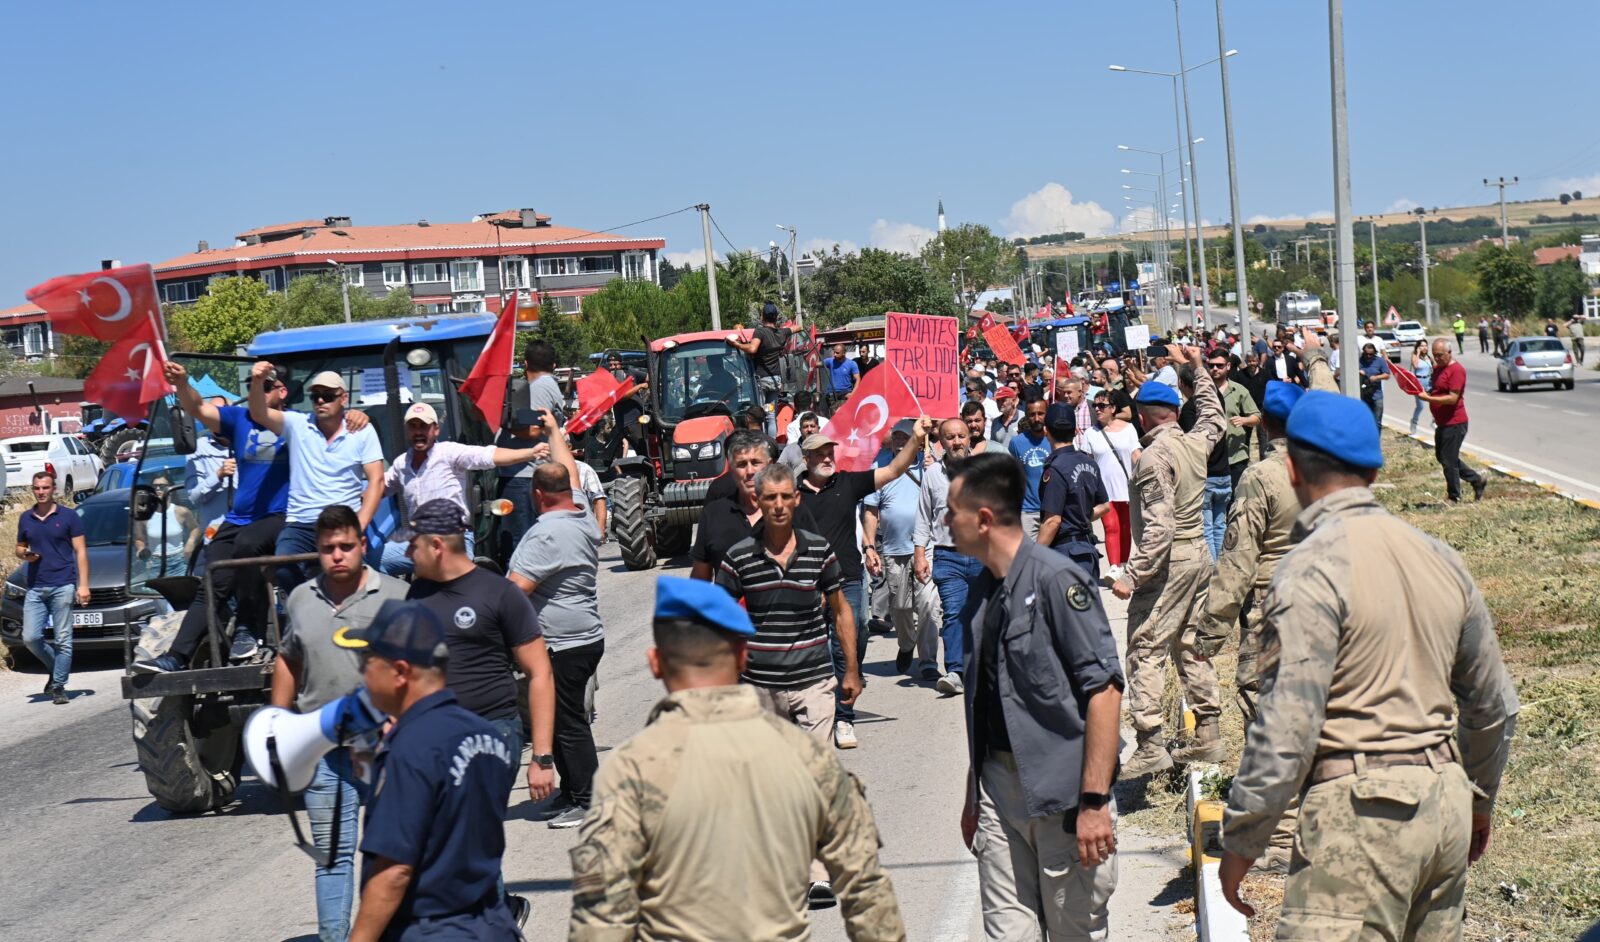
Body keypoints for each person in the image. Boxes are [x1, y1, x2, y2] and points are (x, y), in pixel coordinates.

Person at [1217, 391, 1520, 936]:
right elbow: (1494, 705)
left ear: (1291, 468)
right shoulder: (1440, 557)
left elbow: (1287, 724)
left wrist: (1242, 839)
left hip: (1359, 814)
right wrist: (1477, 799)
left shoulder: (1307, 570)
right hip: (1445, 801)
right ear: (1376, 470)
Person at [568, 577, 907, 940]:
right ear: (744, 655)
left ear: (655, 663)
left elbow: (601, 918)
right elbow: (867, 890)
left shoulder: (630, 769)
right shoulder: (804, 755)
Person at [949, 452, 1124, 940]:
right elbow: (986, 702)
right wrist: (973, 794)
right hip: (998, 790)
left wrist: (1093, 800)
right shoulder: (983, 592)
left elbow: (1105, 692)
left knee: (1075, 929)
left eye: (951, 512)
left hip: (1063, 793)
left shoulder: (1057, 580)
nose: (945, 523)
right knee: (1009, 933)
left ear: (983, 519)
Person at [714, 462, 862, 907]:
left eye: (785, 497)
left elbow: (840, 611)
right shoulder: (738, 557)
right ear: (757, 502)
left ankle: (817, 875)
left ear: (797, 500)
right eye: (770, 498)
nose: (779, 505)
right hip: (759, 685)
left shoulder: (819, 550)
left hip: (814, 680)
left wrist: (851, 670)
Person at [334, 602, 524, 942]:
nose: (362, 674)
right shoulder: (486, 735)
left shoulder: (410, 749)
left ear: (401, 671)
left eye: (367, 662)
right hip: (490, 925)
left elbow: (394, 870)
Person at [272, 504, 408, 941]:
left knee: (398, 851)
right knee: (331, 858)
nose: (337, 555)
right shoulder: (300, 599)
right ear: (317, 550)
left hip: (381, 747)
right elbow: (288, 660)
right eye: (328, 548)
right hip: (324, 750)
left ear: (363, 546)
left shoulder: (395, 595)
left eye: (346, 546)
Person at [1111, 345, 1226, 773]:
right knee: (1191, 645)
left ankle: (1150, 743)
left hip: (1169, 564)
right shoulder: (1195, 443)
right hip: (1199, 555)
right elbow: (1214, 416)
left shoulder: (1153, 459)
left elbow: (1159, 528)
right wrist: (1196, 369)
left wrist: (1132, 575)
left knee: (1146, 648)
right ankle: (1209, 733)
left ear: (1143, 415)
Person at [402, 499, 557, 804]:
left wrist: (542, 757)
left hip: (491, 732)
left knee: (465, 828)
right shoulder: (416, 595)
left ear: (436, 545)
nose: (407, 553)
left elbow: (539, 673)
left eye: (412, 545)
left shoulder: (500, 593)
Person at [796, 419, 933, 748]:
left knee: (854, 638)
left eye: (830, 452)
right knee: (815, 649)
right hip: (808, 581)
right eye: (819, 454)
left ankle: (843, 716)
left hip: (848, 578)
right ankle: (832, 710)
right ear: (806, 459)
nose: (828, 458)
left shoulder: (848, 484)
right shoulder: (792, 494)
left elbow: (894, 470)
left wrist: (915, 439)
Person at [152, 360, 297, 669]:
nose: (257, 389)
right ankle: (177, 656)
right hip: (240, 516)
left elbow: (334, 426)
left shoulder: (295, 423)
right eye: (252, 386)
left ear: (282, 392)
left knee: (247, 546)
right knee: (211, 577)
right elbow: (199, 408)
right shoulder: (239, 419)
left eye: (265, 385)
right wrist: (181, 383)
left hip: (282, 514)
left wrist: (356, 416)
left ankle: (249, 628)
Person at [507, 416, 604, 829]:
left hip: (563, 643)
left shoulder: (544, 535)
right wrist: (552, 430)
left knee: (567, 723)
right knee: (563, 718)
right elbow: (567, 466)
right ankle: (570, 791)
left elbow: (512, 593)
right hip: (583, 636)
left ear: (536, 494)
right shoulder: (581, 512)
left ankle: (588, 799)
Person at [249, 364, 385, 595]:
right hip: (301, 522)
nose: (321, 401)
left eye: (328, 396)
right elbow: (258, 413)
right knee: (283, 568)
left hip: (343, 522)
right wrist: (257, 381)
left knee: (355, 581)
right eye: (316, 396)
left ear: (343, 398)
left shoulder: (363, 431)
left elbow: (377, 481)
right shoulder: (296, 423)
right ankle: (308, 615)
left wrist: (358, 525)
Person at [380, 402, 545, 576]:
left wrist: (530, 452)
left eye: (424, 426)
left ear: (436, 430)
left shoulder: (449, 452)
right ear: (407, 431)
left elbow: (489, 456)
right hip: (419, 540)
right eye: (413, 427)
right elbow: (378, 488)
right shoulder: (401, 464)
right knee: (373, 559)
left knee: (450, 581)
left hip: (452, 538)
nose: (418, 432)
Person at [863, 420, 941, 678]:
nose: (899, 440)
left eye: (905, 436)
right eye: (896, 436)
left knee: (928, 604)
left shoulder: (931, 464)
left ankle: (929, 661)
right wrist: (870, 545)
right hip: (894, 549)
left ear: (917, 439)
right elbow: (871, 512)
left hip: (925, 546)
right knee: (901, 608)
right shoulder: (881, 467)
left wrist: (935, 470)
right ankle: (907, 644)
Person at [915, 418, 980, 696]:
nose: (956, 442)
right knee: (953, 614)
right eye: (950, 437)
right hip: (947, 557)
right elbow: (923, 516)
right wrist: (920, 554)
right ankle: (956, 671)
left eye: (961, 436)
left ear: (969, 439)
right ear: (941, 441)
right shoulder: (932, 475)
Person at [16, 471, 88, 705]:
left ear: (53, 489)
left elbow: (81, 551)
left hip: (63, 585)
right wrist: (24, 554)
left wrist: (84, 585)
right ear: (33, 489)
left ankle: (58, 686)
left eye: (45, 488)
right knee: (30, 637)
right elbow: (20, 547)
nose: (41, 492)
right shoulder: (26, 518)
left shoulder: (69, 516)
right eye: (37, 488)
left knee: (63, 639)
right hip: (36, 587)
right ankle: (55, 668)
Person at [1035, 403, 1110, 582]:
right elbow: (1105, 506)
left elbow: (1052, 521)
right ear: (1076, 430)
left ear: (1046, 431)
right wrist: (1080, 515)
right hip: (1085, 551)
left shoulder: (1055, 468)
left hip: (1065, 554)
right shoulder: (1089, 462)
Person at [1416, 339, 1488, 502]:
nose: (1438, 358)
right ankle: (1477, 480)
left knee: (1449, 460)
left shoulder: (1456, 370)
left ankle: (1454, 495)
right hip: (1442, 422)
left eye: (1440, 355)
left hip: (1455, 422)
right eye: (1434, 355)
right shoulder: (1437, 369)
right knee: (1443, 457)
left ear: (1449, 353)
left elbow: (1452, 398)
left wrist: (1429, 399)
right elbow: (1435, 390)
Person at [1081, 391, 1140, 580]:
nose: (1097, 409)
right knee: (1111, 527)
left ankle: (1123, 564)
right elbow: (1087, 462)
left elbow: (1135, 454)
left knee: (1125, 528)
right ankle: (1114, 566)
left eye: (1102, 406)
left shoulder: (1129, 428)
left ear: (1113, 409)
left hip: (1127, 486)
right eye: (1095, 406)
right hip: (1103, 489)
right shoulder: (1090, 433)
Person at [490, 408, 552, 565]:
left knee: (518, 545)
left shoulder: (536, 387)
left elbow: (533, 429)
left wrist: (499, 418)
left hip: (520, 475)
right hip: (503, 473)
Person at [185, 397, 235, 536]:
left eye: (221, 412)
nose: (215, 417)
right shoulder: (198, 449)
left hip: (249, 534)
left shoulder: (246, 444)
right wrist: (218, 475)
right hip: (216, 535)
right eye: (211, 413)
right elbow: (194, 497)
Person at [726, 302, 792, 403]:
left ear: (762, 317)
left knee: (759, 412)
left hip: (762, 381)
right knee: (770, 413)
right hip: (775, 380)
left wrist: (736, 345)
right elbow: (799, 327)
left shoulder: (760, 332)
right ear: (776, 317)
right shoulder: (782, 333)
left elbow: (752, 349)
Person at [1006, 395, 1050, 536]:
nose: (1036, 418)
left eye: (1040, 414)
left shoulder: (1055, 439)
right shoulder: (1016, 443)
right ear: (1026, 416)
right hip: (1028, 512)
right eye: (1032, 415)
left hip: (1053, 510)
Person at [516, 338, 567, 422]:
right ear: (553, 366)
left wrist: (503, 419)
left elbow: (533, 428)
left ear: (526, 364)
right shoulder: (549, 384)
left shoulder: (538, 387)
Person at [1357, 342, 1391, 430]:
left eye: (1371, 354)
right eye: (1366, 354)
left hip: (1377, 395)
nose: (1368, 356)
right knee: (1366, 420)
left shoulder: (1380, 361)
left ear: (1374, 353)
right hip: (1363, 395)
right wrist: (1359, 373)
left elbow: (1387, 375)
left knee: (1377, 422)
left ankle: (1376, 441)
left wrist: (1376, 377)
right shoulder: (1359, 361)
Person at [1409, 341, 1434, 435]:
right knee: (1420, 406)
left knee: (1434, 402)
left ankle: (1434, 421)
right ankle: (1414, 422)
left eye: (1425, 346)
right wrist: (1418, 352)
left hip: (1429, 382)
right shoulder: (1415, 356)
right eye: (1421, 346)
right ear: (1418, 347)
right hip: (1419, 383)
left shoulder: (1429, 357)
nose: (1424, 347)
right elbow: (1415, 365)